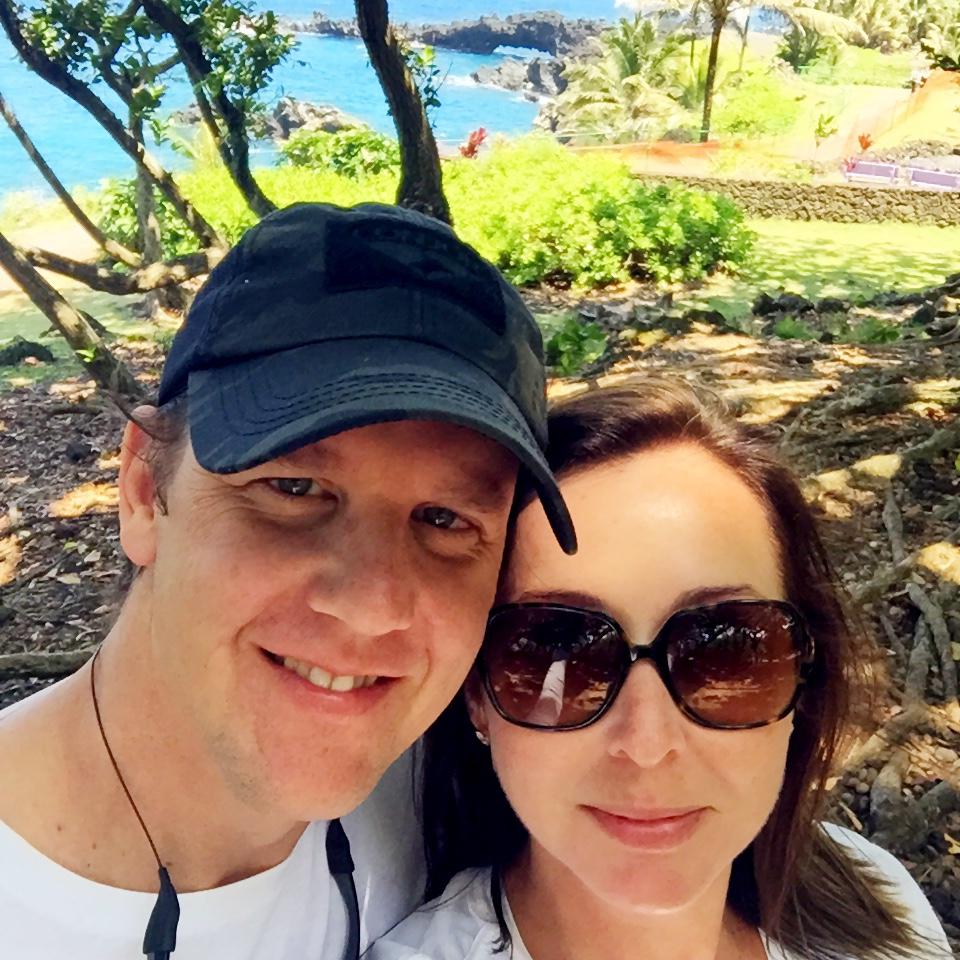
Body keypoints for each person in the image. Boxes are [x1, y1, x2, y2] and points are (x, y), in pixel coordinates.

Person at [0, 202, 576, 960]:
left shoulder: (463, 790)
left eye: (443, 519)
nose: (372, 608)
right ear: (142, 489)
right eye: (294, 489)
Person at [374, 379, 952, 960]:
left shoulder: (876, 901)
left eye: (726, 653)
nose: (647, 745)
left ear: (803, 678)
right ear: (477, 694)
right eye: (559, 653)